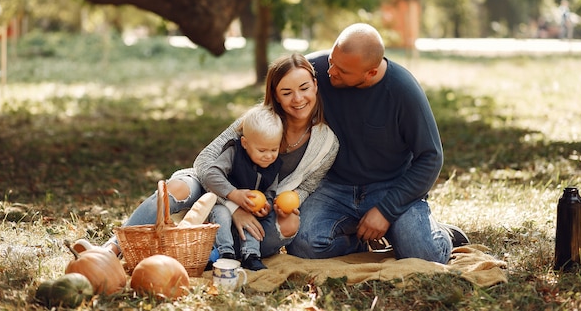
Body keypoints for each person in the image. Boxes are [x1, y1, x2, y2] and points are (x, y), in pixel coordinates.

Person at [101, 53, 339, 260]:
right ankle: (112, 248)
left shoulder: (326, 144)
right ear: (276, 95)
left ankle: (197, 252)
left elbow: (308, 185)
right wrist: (234, 205)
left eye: (304, 88)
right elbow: (204, 162)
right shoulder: (255, 122)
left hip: (259, 205)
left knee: (289, 226)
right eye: (287, 92)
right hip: (211, 187)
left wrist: (285, 201)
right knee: (176, 188)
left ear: (315, 85)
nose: (298, 99)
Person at [286, 22, 469, 264]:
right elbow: (278, 85)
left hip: (390, 186)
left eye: (342, 70)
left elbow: (431, 157)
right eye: (331, 60)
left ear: (370, 72)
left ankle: (441, 233)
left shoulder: (403, 90)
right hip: (334, 185)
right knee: (302, 244)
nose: (330, 72)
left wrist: (385, 211)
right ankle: (359, 238)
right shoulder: (316, 70)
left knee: (425, 255)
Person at [203, 104, 284, 271]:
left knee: (253, 221)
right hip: (223, 203)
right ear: (245, 143)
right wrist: (233, 194)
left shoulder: (274, 165)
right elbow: (211, 175)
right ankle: (226, 254)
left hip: (248, 208)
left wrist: (266, 205)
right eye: (262, 150)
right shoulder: (234, 153)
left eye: (274, 149)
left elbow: (270, 190)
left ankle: (251, 255)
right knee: (222, 214)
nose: (268, 155)